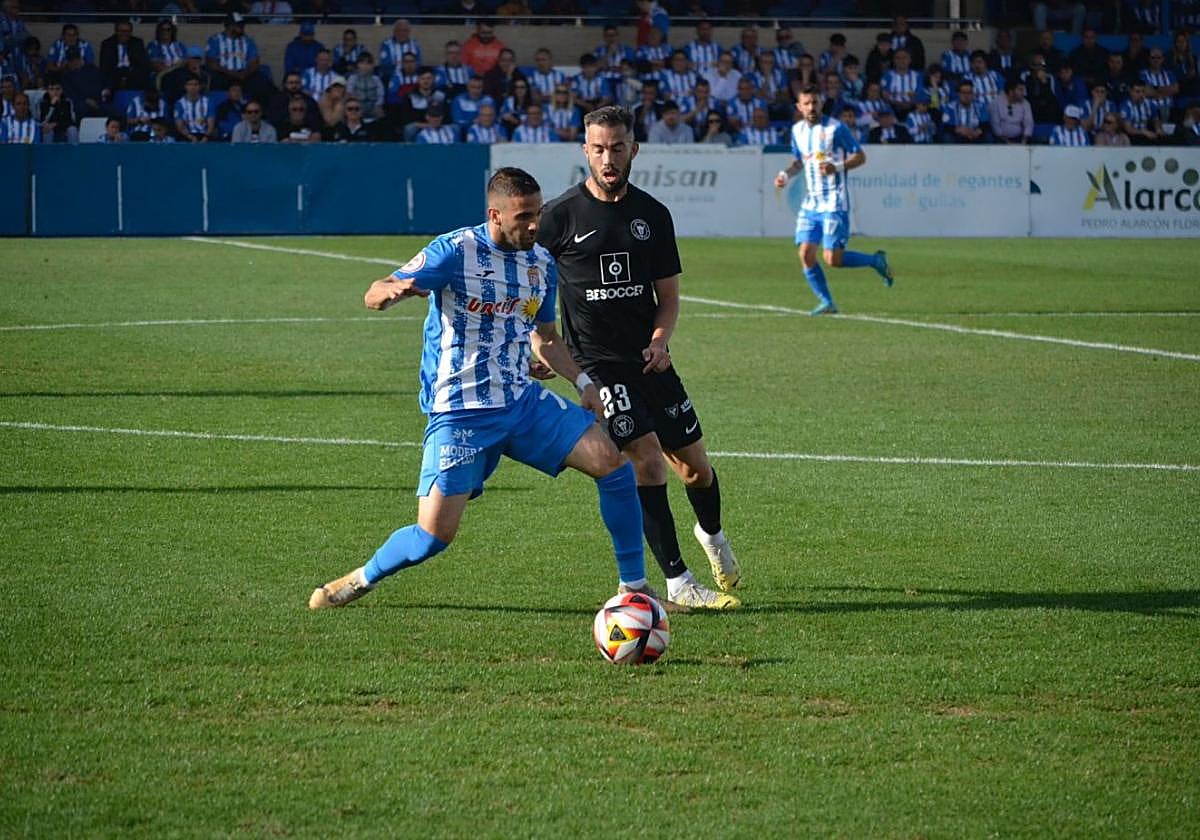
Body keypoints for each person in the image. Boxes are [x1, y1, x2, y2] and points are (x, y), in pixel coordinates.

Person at [309, 167, 650, 611]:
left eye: (538, 213)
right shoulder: (455, 251)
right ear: (495, 214)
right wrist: (388, 292)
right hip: (460, 411)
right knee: (432, 537)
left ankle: (636, 591)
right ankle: (359, 579)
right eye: (524, 216)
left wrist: (583, 382)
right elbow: (377, 289)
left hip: (520, 402)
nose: (534, 225)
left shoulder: (540, 263)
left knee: (612, 463)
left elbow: (545, 337)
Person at [536, 106, 741, 611]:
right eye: (599, 149)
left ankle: (712, 536)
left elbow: (667, 296)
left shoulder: (653, 215)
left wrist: (659, 341)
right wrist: (541, 347)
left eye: (618, 147)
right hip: (598, 366)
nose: (609, 158)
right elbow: (528, 288)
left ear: (634, 149)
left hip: (650, 359)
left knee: (695, 469)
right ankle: (678, 582)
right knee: (647, 462)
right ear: (585, 151)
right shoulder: (559, 218)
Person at [774, 85, 893, 317]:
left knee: (832, 259)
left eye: (815, 102)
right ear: (799, 107)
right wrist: (785, 175)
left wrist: (836, 167)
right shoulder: (797, 130)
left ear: (821, 104)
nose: (811, 107)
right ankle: (827, 302)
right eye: (806, 103)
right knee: (806, 254)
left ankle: (875, 261)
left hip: (834, 202)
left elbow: (860, 156)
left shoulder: (836, 128)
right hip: (810, 203)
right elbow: (799, 161)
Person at [99, 18, 149, 92]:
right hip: (114, 72)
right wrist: (122, 76)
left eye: (128, 31)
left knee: (142, 78)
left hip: (132, 72)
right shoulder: (107, 44)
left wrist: (128, 74)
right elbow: (105, 65)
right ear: (116, 31)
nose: (124, 34)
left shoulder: (137, 42)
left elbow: (143, 63)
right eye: (122, 31)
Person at [989, 79, 1033, 144]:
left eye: (1023, 90)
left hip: (1020, 138)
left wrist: (1024, 141)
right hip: (1001, 139)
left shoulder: (1026, 103)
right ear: (1011, 91)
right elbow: (996, 127)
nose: (1024, 93)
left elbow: (1029, 123)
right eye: (1020, 90)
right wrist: (1008, 143)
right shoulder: (995, 103)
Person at [174, 76, 214, 142]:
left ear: (200, 86)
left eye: (195, 84)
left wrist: (206, 137)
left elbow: (211, 124)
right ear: (185, 86)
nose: (193, 87)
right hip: (186, 136)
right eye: (189, 84)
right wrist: (190, 137)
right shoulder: (179, 103)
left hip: (204, 135)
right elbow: (179, 126)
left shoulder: (208, 102)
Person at [346, 52, 384, 121]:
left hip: (373, 108)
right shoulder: (353, 78)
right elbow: (350, 94)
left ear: (372, 66)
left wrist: (377, 105)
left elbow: (380, 96)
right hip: (358, 108)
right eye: (362, 63)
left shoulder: (376, 79)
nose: (365, 66)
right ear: (357, 65)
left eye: (368, 63)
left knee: (381, 112)